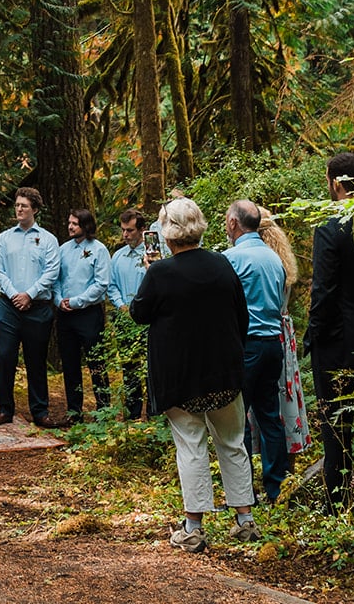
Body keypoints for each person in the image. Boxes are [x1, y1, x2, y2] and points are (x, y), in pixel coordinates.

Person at [130, 198, 258, 553]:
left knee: (191, 447)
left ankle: (193, 528)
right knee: (233, 444)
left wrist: (149, 271)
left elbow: (138, 313)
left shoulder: (160, 272)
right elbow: (241, 316)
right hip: (225, 374)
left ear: (167, 232)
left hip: (181, 377)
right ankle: (246, 522)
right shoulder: (222, 263)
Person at [305, 151, 354, 510]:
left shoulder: (330, 227)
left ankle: (339, 504)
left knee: (337, 426)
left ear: (336, 183)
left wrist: (313, 336)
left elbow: (323, 291)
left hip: (339, 343)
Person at [223, 199, 288, 504]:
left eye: (226, 220)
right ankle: (275, 488)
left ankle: (243, 491)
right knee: (269, 416)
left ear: (234, 223)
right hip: (273, 345)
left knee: (237, 420)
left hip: (245, 346)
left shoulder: (231, 258)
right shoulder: (275, 259)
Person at [0, 186, 60, 427]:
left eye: (24, 206)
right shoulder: (4, 238)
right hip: (8, 306)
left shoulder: (48, 239)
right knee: (5, 355)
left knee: (36, 359)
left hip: (37, 307)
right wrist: (14, 294)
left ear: (35, 209)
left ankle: (40, 411)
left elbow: (52, 272)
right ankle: (4, 408)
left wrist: (29, 294)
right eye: (17, 205)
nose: (19, 209)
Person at [258, 211, 310, 461]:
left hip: (266, 332)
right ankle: (286, 458)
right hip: (282, 333)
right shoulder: (281, 262)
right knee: (282, 395)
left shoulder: (261, 263)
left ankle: (269, 458)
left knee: (267, 396)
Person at [55, 208, 111, 421]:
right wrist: (59, 299)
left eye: (75, 224)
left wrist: (78, 302)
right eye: (69, 223)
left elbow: (101, 284)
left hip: (89, 314)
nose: (70, 227)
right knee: (70, 364)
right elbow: (56, 279)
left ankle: (104, 410)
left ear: (86, 226)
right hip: (65, 314)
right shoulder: (63, 250)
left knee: (96, 363)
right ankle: (74, 411)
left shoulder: (99, 250)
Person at [108, 208, 149, 419]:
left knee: (151, 367)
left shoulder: (152, 255)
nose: (125, 235)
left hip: (150, 321)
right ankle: (132, 415)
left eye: (130, 231)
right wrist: (121, 306)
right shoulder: (117, 257)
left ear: (142, 230)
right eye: (123, 230)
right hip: (125, 318)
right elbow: (111, 285)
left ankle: (154, 412)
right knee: (130, 369)